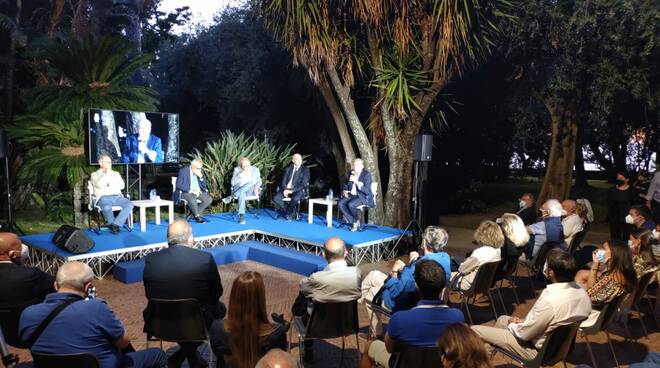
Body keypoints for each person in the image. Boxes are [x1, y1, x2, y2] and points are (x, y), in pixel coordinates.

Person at [19, 262, 167, 368]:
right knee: (157, 354)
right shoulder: (96, 308)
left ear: (56, 286)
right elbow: (123, 342)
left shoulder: (28, 314)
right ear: (89, 287)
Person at [471, 249, 592, 361]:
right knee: (502, 320)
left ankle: (480, 362)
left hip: (536, 351)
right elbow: (556, 321)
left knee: (474, 331)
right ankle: (484, 361)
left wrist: (513, 323)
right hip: (559, 349)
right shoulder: (583, 295)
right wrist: (524, 321)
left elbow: (524, 334)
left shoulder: (550, 299)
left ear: (551, 272)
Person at [142, 220, 225, 368]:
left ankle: (186, 356)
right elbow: (217, 293)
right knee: (219, 309)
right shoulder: (204, 259)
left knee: (190, 313)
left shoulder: (151, 260)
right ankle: (186, 354)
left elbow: (149, 295)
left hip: (159, 323)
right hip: (196, 324)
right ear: (189, 238)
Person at [360, 260, 464, 368]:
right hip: (440, 364)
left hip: (405, 364)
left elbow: (389, 349)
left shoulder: (400, 319)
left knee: (369, 346)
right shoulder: (458, 317)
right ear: (443, 287)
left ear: (417, 286)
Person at [360, 226, 452, 337]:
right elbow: (424, 265)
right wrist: (413, 261)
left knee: (370, 295)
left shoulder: (416, 268)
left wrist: (394, 271)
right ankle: (354, 301)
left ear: (424, 242)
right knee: (373, 275)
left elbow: (395, 293)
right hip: (430, 297)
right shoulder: (445, 259)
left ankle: (375, 335)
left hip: (406, 304)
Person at [289, 237, 361, 362]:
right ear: (346, 253)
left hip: (316, 328)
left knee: (305, 296)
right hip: (347, 325)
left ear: (323, 255)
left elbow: (302, 286)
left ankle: (307, 345)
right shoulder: (357, 273)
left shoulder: (317, 278)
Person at [210, 272, 287, 368]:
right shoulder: (277, 333)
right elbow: (278, 361)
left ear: (234, 297)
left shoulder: (217, 328)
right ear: (261, 299)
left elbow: (217, 355)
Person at [0, 233, 54, 347]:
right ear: (12, 254)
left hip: (3, 334)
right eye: (19, 246)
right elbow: (58, 286)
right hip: (31, 332)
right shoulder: (30, 275)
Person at [574, 240, 636, 328]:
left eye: (603, 249)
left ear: (614, 255)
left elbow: (591, 294)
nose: (599, 250)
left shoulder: (613, 277)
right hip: (599, 310)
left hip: (591, 315)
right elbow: (594, 289)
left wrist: (595, 264)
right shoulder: (622, 272)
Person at [451, 220, 503, 292]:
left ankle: (442, 302)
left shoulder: (479, 252)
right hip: (485, 284)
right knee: (456, 259)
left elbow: (462, 270)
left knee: (444, 274)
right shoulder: (498, 250)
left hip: (468, 284)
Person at [90, 154, 134, 234]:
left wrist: (108, 183)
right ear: (100, 163)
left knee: (129, 204)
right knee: (107, 207)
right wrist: (106, 175)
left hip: (117, 197)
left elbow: (122, 186)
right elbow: (99, 184)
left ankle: (115, 224)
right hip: (103, 198)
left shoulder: (116, 173)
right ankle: (114, 225)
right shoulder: (95, 174)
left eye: (110, 162)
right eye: (107, 162)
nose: (110, 164)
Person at [338, 158, 375, 232]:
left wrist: (357, 182)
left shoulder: (366, 174)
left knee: (351, 204)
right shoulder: (351, 173)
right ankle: (354, 221)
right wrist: (345, 190)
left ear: (362, 166)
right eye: (354, 165)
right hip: (352, 195)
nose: (355, 167)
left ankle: (355, 222)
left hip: (362, 196)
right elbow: (345, 183)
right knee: (340, 203)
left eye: (357, 165)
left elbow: (367, 191)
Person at [223, 157, 262, 225]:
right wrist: (240, 174)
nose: (246, 167)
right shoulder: (237, 169)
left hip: (249, 189)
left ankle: (232, 196)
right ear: (241, 165)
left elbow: (259, 181)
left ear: (250, 164)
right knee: (242, 193)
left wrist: (256, 187)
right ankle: (242, 215)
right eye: (244, 166)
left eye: (247, 166)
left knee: (250, 183)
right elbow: (232, 183)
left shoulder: (255, 170)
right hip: (238, 188)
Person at [174, 159, 213, 223]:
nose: (200, 170)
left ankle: (194, 214)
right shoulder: (183, 171)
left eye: (201, 168)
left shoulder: (200, 172)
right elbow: (179, 185)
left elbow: (204, 186)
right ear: (193, 167)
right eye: (198, 168)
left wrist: (201, 178)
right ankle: (197, 216)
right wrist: (191, 190)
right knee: (192, 198)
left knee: (208, 199)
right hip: (185, 192)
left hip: (198, 192)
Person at [273, 153, 310, 220]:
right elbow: (283, 181)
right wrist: (285, 189)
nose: (298, 161)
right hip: (286, 189)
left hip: (297, 190)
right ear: (293, 160)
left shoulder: (305, 170)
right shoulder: (288, 169)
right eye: (296, 159)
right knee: (276, 198)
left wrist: (292, 190)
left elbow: (304, 184)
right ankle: (291, 211)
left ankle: (289, 212)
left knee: (295, 198)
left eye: (300, 159)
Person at [497, 213, 529, 279]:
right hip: (509, 270)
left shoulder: (506, 243)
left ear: (507, 226)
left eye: (502, 224)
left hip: (498, 272)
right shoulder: (522, 241)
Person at [607, 171, 636, 240]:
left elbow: (634, 204)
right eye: (617, 177)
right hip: (615, 216)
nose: (618, 179)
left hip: (628, 216)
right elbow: (609, 203)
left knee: (627, 235)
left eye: (620, 178)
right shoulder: (612, 190)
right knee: (615, 235)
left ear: (627, 180)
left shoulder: (632, 190)